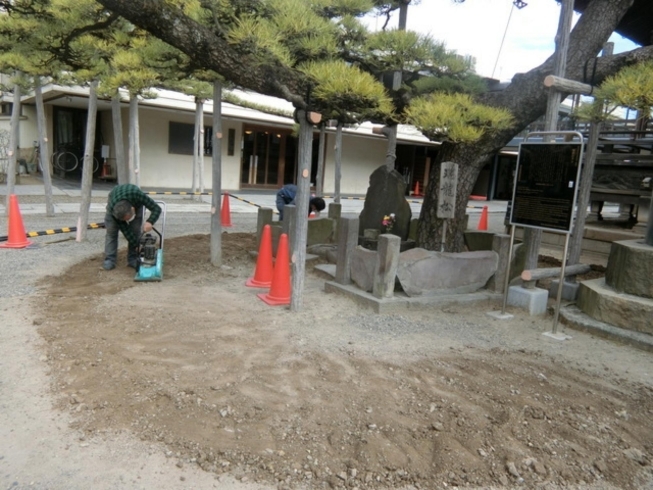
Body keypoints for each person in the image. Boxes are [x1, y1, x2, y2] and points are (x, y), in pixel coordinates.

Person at [103, 184, 162, 271]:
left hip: (135, 199)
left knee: (135, 230)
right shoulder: (114, 210)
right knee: (111, 232)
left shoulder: (138, 195)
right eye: (124, 220)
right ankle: (110, 260)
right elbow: (126, 230)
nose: (127, 221)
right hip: (114, 200)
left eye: (128, 218)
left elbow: (157, 208)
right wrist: (136, 245)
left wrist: (150, 221)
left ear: (133, 209)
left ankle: (133, 259)